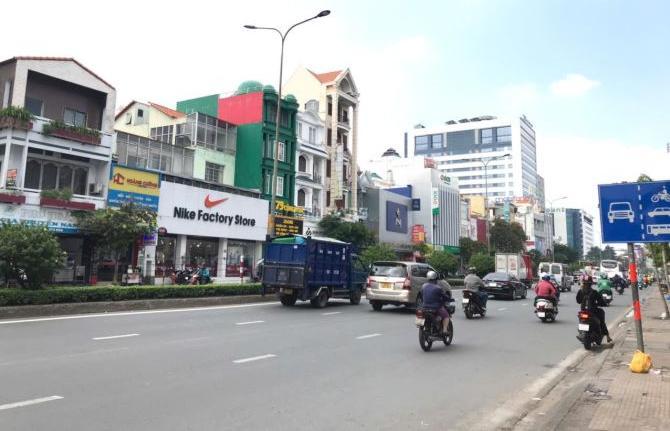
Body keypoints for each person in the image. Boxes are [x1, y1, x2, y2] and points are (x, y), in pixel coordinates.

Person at [576, 276, 612, 343]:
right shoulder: (594, 292)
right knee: (602, 320)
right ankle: (607, 335)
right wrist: (602, 304)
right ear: (591, 284)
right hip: (593, 311)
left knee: (581, 318)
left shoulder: (580, 291)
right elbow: (601, 301)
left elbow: (578, 301)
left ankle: (582, 333)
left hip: (583, 311)